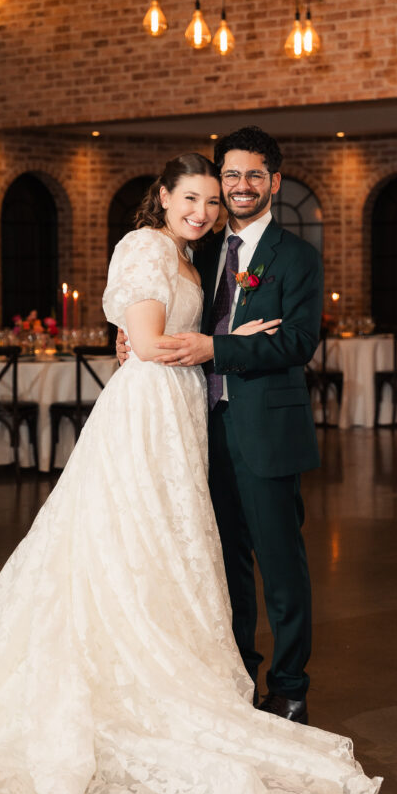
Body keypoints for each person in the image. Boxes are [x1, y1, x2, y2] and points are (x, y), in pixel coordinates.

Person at [0, 153, 379, 794]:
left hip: (181, 410)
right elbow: (150, 343)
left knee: (168, 544)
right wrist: (225, 342)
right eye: (192, 198)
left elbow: (148, 337)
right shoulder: (147, 246)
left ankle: (208, 670)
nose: (205, 211)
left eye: (212, 202)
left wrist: (196, 340)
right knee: (133, 538)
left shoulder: (195, 253)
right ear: (161, 196)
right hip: (149, 413)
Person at [119, 127, 321, 725]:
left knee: (281, 568)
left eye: (254, 175)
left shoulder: (296, 256)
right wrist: (130, 335)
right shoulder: (198, 249)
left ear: (274, 183)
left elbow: (299, 343)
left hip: (264, 431)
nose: (239, 186)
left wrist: (219, 347)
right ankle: (237, 679)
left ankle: (288, 687)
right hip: (197, 429)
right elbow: (154, 310)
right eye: (230, 175)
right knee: (221, 565)